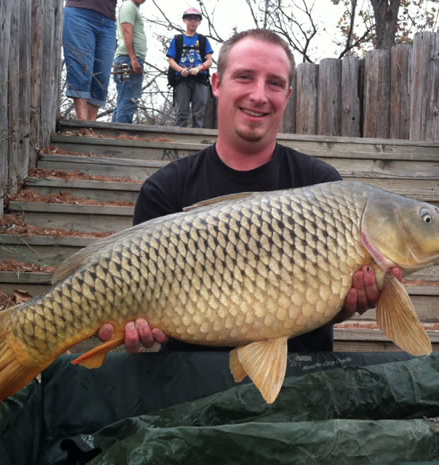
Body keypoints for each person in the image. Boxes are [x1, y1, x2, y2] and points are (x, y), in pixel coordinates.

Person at [98, 28, 403, 353]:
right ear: (216, 84)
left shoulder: (322, 184)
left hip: (299, 385)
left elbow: (322, 302)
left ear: (287, 96)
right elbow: (132, 310)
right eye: (244, 77)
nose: (259, 95)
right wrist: (134, 327)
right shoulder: (165, 190)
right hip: (190, 390)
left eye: (274, 83)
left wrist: (346, 304)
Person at [62, 0, 117, 121]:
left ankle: (91, 125)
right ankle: (83, 125)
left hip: (108, 18)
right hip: (80, 12)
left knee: (102, 76)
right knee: (81, 69)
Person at [166, 7, 214, 128]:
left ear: (199, 22)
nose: (192, 22)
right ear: (184, 20)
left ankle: (196, 144)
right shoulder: (177, 39)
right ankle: (178, 143)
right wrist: (181, 70)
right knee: (182, 113)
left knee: (199, 114)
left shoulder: (203, 40)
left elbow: (209, 60)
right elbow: (171, 60)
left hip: (200, 79)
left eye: (196, 19)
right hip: (182, 79)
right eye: (189, 19)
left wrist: (198, 68)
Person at [111, 0, 147, 124]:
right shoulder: (128, 6)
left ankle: (114, 135)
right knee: (129, 100)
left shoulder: (133, 8)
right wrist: (133, 57)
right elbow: (127, 31)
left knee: (124, 100)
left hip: (129, 58)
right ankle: (122, 137)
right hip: (128, 58)